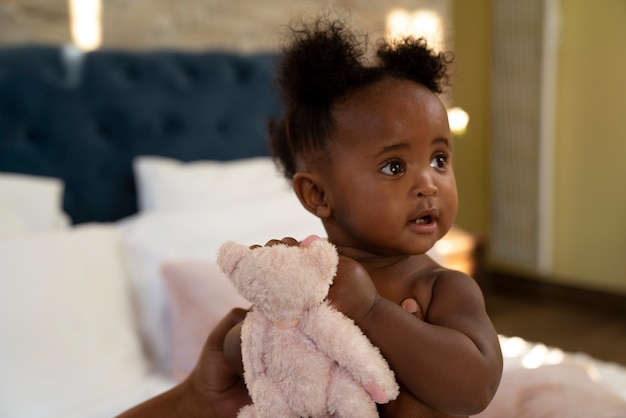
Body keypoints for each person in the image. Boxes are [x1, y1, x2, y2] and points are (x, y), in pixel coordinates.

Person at [118, 16, 502, 418]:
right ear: (316, 194)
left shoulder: (442, 288)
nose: (429, 183)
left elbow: (477, 386)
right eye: (394, 166)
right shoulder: (304, 278)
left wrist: (372, 311)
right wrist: (245, 336)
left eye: (439, 159)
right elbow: (245, 349)